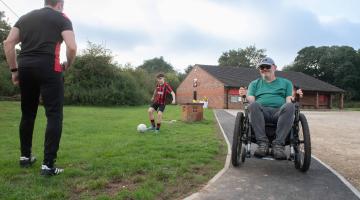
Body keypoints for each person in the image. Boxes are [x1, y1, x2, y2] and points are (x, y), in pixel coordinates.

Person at [3, 0, 77, 176]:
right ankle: (48, 165)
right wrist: (69, 64)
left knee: (28, 113)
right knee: (54, 115)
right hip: (49, 67)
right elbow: (72, 47)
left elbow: (8, 43)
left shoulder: (24, 18)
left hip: (25, 67)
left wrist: (14, 70)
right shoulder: (62, 18)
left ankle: (25, 157)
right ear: (59, 4)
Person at [239, 57, 294, 160]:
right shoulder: (254, 83)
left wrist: (295, 98)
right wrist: (245, 94)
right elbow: (251, 99)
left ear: (275, 68)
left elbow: (288, 100)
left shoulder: (286, 83)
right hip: (261, 112)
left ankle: (278, 145)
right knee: (253, 104)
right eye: (261, 67)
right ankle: (262, 143)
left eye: (267, 66)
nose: (264, 69)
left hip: (279, 113)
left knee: (290, 106)